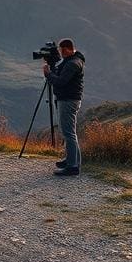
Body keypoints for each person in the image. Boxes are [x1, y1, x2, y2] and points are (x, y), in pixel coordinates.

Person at [43, 39, 85, 176]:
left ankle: (72, 167)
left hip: (68, 100)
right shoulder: (72, 60)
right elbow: (60, 75)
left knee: (68, 133)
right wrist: (53, 66)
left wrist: (48, 74)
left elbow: (60, 81)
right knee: (69, 132)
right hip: (68, 99)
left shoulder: (73, 63)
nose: (60, 54)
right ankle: (72, 160)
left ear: (67, 49)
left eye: (61, 51)